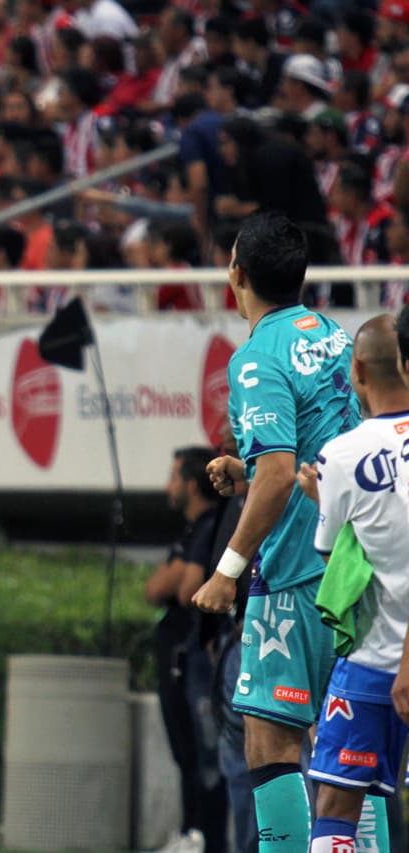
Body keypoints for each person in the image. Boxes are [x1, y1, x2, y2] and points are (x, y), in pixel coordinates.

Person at [192, 210, 363, 853]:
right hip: (358, 563)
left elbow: (278, 476)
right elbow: (314, 450)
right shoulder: (337, 337)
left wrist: (225, 573)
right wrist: (252, 468)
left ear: (236, 275)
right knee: (347, 742)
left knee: (271, 737)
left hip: (296, 570)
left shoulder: (256, 357)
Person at [295, 314, 407, 853]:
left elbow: (334, 553)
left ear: (356, 369)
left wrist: (321, 499)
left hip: (371, 661)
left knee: (336, 810)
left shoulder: (339, 456)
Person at [145, 447, 228, 853]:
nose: (168, 486)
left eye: (174, 476)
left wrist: (178, 575)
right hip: (182, 655)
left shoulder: (211, 526)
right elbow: (153, 588)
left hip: (199, 656)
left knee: (205, 753)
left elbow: (183, 589)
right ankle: (192, 831)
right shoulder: (188, 534)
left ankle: (205, 836)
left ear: (192, 485)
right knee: (187, 750)